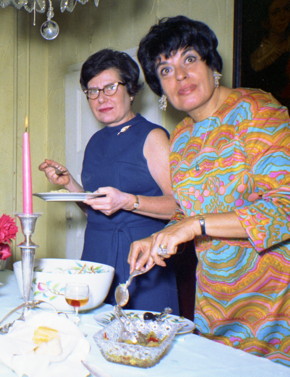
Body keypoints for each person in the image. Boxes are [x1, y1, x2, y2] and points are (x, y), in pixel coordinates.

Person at [128, 16, 290, 366]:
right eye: (165, 69)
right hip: (214, 303)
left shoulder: (261, 113)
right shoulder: (183, 138)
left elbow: (284, 210)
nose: (180, 76)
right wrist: (162, 235)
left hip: (275, 307)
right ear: (160, 88)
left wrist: (193, 225)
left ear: (211, 64)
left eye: (189, 59)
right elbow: (191, 211)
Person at [39, 49, 179, 314]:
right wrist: (70, 184)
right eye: (92, 91)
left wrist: (127, 201)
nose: (100, 98)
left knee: (141, 341)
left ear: (131, 90)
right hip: (95, 254)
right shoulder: (95, 142)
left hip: (140, 259)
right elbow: (97, 208)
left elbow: (179, 207)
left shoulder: (153, 137)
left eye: (110, 87)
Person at [250, 0, 290, 109]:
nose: (283, 16)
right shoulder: (259, 54)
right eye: (276, 12)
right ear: (266, 21)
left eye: (286, 9)